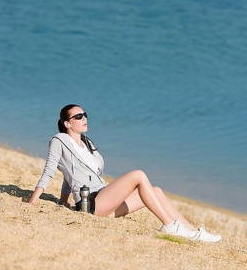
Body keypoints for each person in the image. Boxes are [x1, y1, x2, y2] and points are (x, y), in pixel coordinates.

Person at [27, 104, 221, 242]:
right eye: (78, 116)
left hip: (105, 202)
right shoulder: (59, 140)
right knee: (138, 175)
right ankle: (170, 225)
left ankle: (193, 232)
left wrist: (62, 200)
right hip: (92, 204)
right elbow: (50, 169)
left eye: (84, 114)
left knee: (157, 191)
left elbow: (71, 175)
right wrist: (33, 201)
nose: (84, 118)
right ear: (67, 123)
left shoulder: (87, 143)